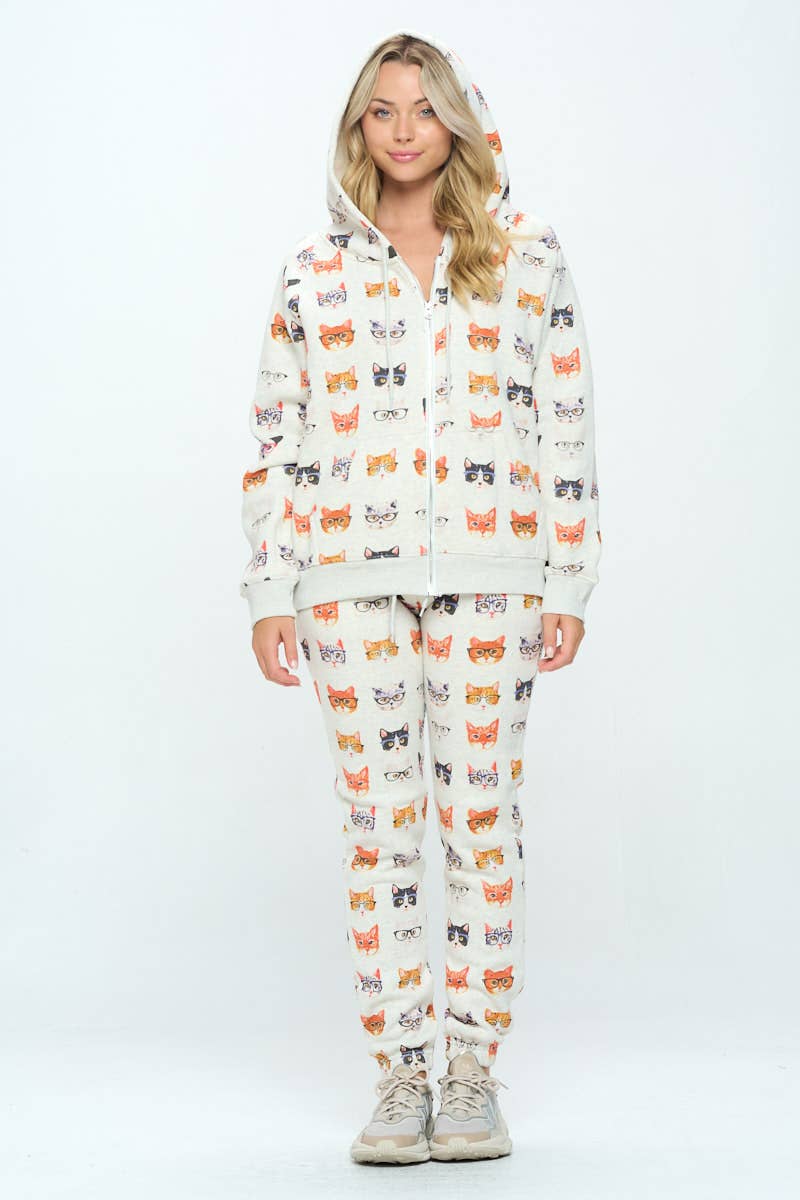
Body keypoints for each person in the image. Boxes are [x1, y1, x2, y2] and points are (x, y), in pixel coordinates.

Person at [239, 27, 602, 1166]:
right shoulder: (313, 271)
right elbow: (280, 433)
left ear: (459, 120)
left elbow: (564, 417)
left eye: (424, 108)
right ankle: (400, 1073)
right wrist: (270, 583)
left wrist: (569, 572)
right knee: (380, 829)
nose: (404, 130)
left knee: (481, 822)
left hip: (495, 577)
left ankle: (470, 1070)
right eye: (382, 110)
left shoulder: (525, 254)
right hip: (347, 577)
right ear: (359, 126)